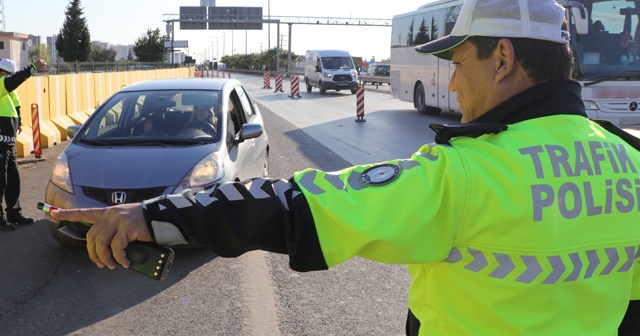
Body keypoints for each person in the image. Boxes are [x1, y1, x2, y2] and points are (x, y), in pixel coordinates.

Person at [49, 0, 640, 334]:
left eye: (460, 61)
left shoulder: (465, 175)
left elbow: (296, 207)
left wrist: (153, 215)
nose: (453, 81)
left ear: (504, 58)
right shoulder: (630, 161)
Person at [0, 58, 45, 231]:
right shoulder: (1, 84)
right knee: (0, 182)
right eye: (5, 74)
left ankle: (14, 213)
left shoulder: (7, 89)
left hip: (9, 144)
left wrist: (19, 121)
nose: (7, 77)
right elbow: (14, 81)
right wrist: (33, 67)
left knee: (14, 180)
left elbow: (16, 102)